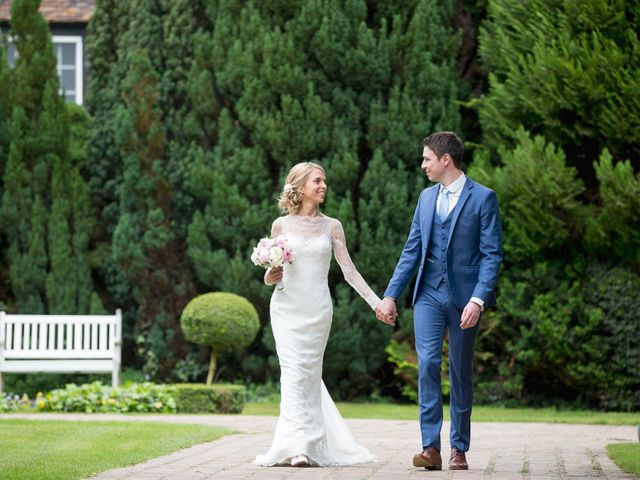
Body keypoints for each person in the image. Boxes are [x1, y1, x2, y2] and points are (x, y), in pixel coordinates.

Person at [376, 132, 503, 471]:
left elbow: (492, 255)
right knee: (428, 363)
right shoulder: (426, 198)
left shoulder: (484, 198)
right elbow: (411, 250)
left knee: (460, 371)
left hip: (465, 298)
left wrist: (478, 299)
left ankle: (458, 448)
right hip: (428, 294)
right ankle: (430, 448)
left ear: (446, 160)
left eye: (427, 159)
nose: (423, 165)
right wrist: (390, 295)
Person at [255, 162, 390, 468]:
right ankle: (297, 447)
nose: (323, 185)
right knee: (292, 373)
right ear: (300, 187)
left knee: (308, 374)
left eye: (324, 181)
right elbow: (272, 275)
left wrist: (377, 303)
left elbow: (350, 272)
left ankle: (311, 444)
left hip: (317, 311)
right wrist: (269, 276)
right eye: (317, 181)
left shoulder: (332, 226)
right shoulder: (280, 225)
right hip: (286, 308)